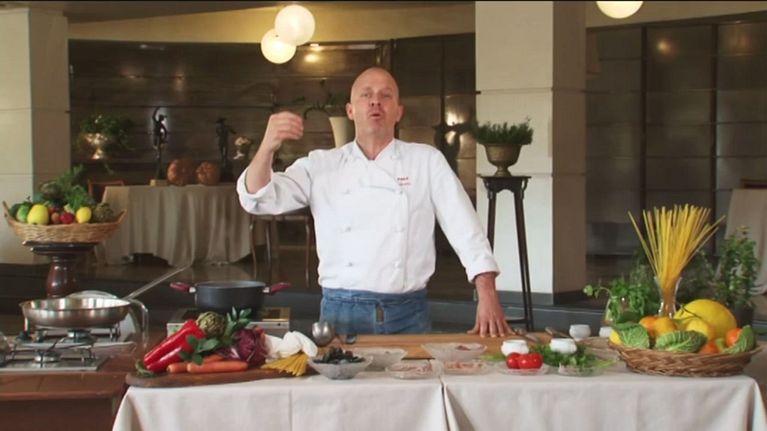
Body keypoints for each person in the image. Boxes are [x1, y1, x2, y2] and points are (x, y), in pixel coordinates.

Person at [237, 67, 511, 337]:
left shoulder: (426, 161)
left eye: (386, 95)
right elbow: (258, 198)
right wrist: (267, 146)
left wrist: (487, 293)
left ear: (399, 112)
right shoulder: (321, 165)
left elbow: (465, 227)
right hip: (339, 314)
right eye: (366, 94)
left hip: (408, 314)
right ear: (350, 110)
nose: (375, 102)